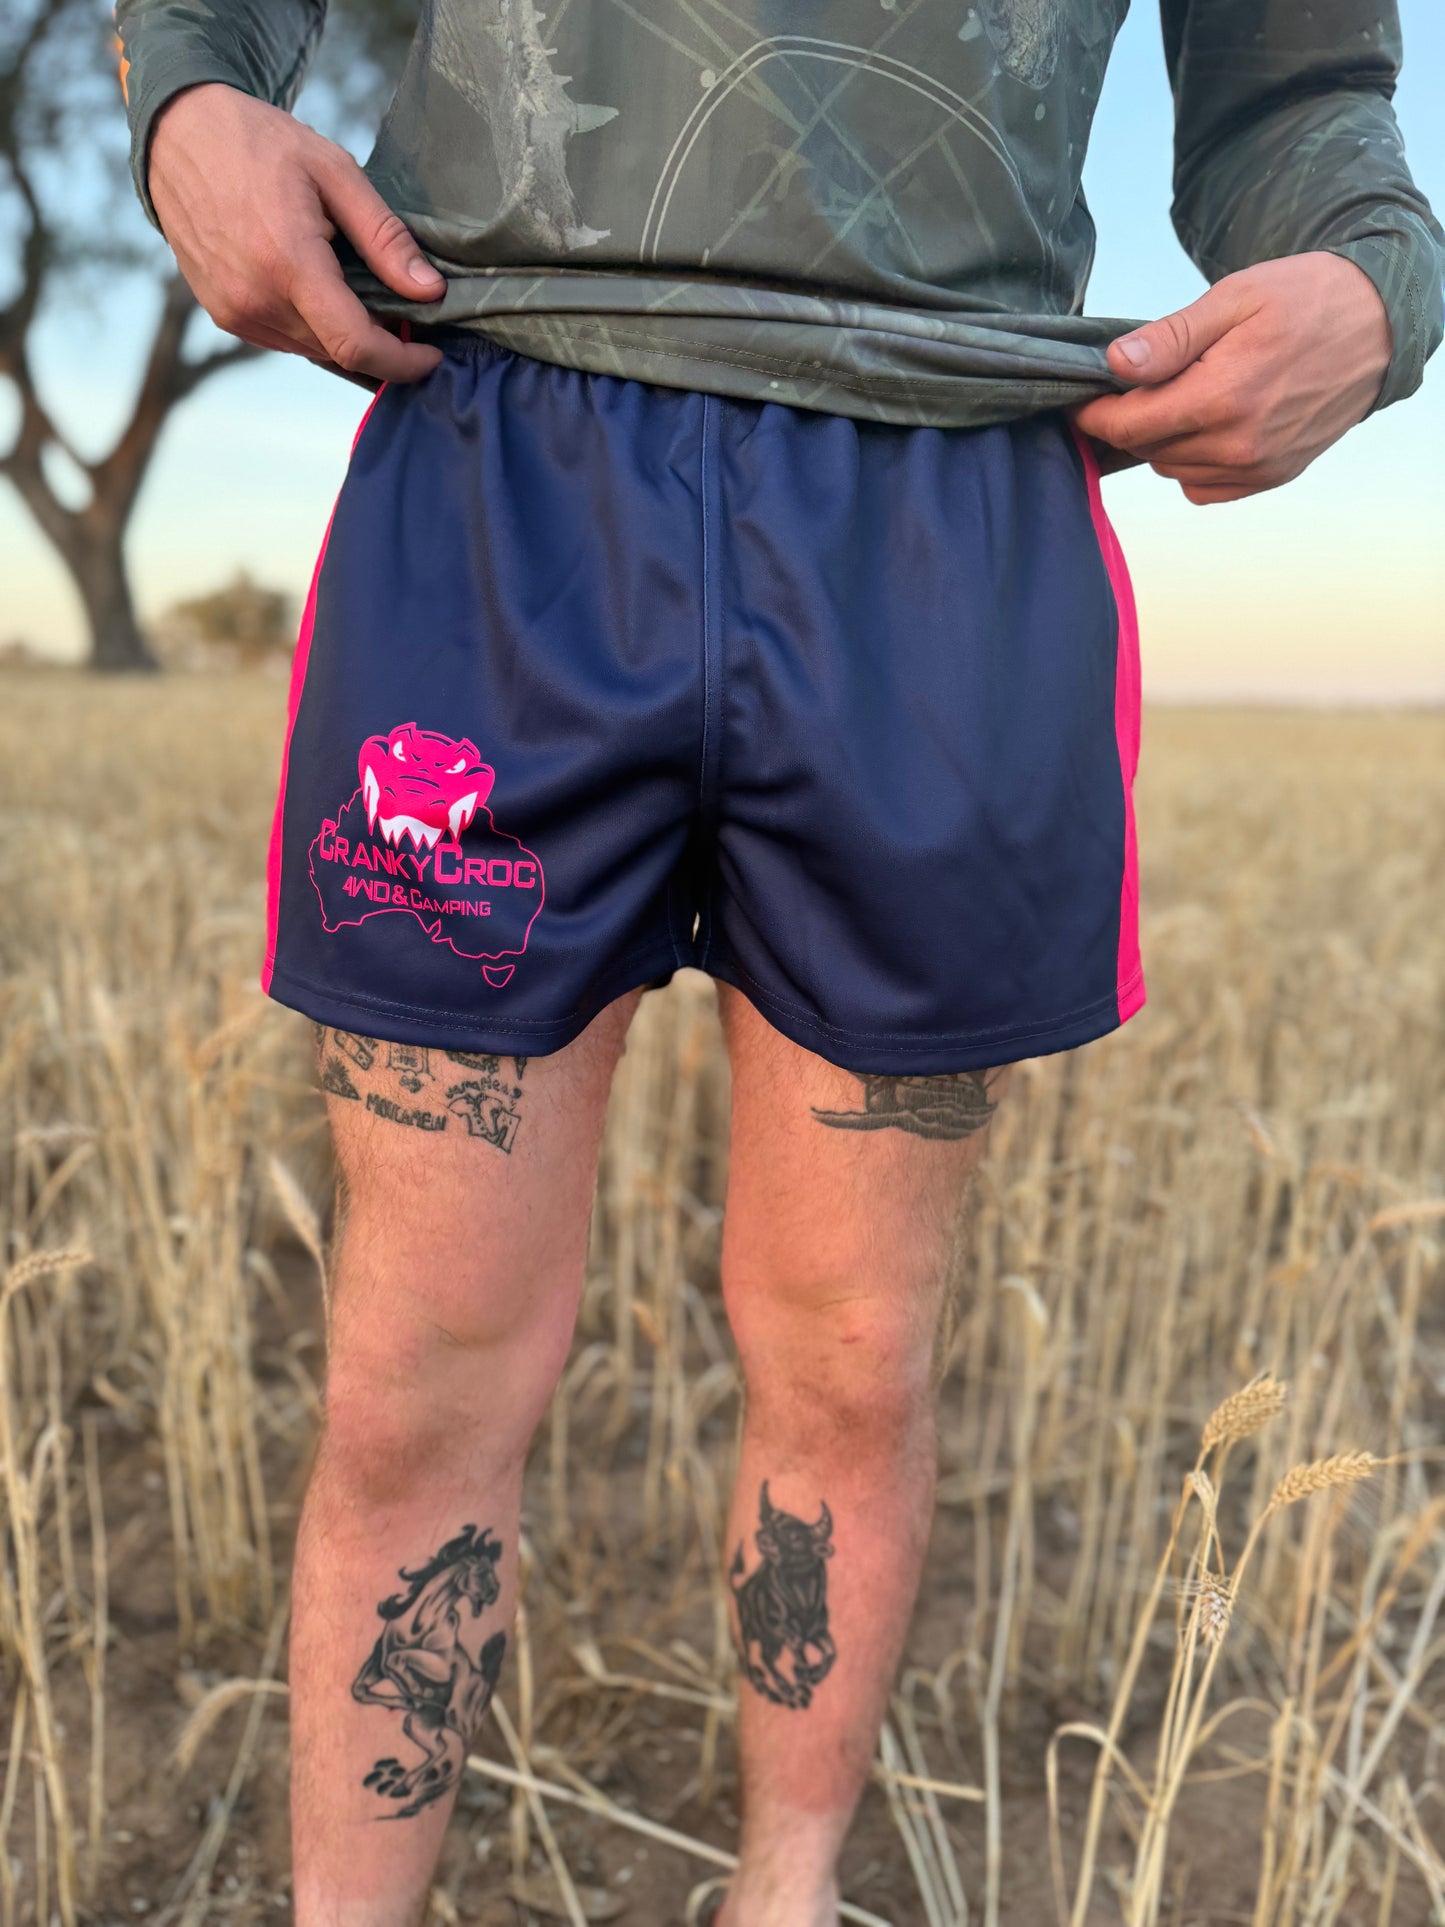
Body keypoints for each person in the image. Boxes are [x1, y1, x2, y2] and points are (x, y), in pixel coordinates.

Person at [116, 1, 1442, 1920]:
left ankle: (784, 1895)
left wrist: (1374, 281)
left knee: (850, 1354)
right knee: (416, 1365)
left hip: (943, 497)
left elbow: (1302, 92)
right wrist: (190, 103)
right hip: (503, 446)